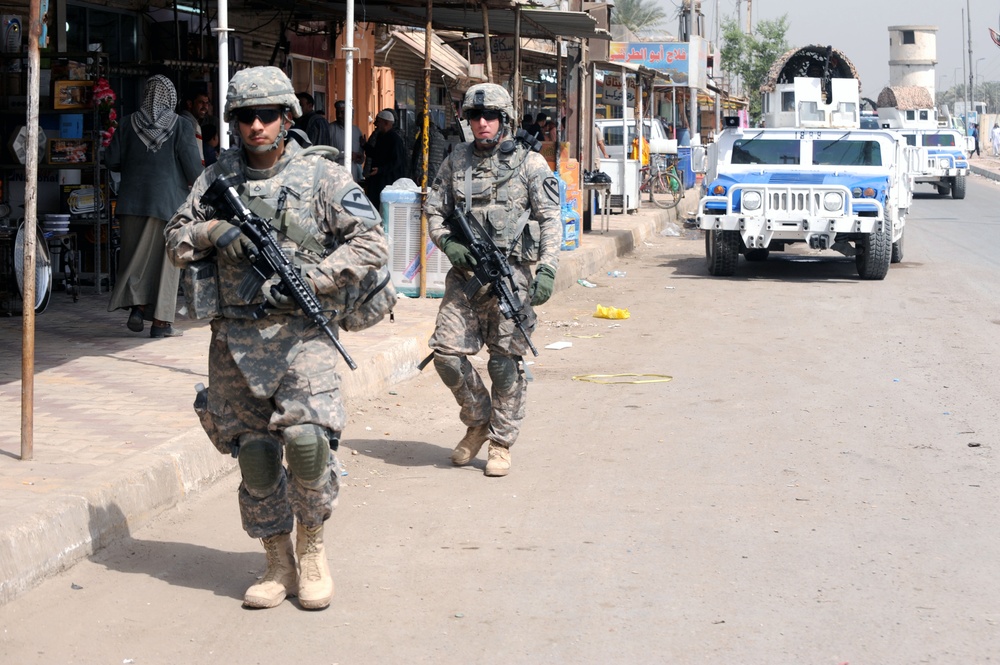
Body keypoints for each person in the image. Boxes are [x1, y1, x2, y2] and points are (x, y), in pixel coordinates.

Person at [164, 66, 390, 610]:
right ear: (234, 122)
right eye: (246, 117)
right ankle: (276, 558)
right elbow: (174, 238)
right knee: (257, 455)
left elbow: (372, 243)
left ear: (287, 117)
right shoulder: (217, 178)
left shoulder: (323, 177)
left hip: (303, 335)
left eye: (268, 115)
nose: (257, 126)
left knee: (309, 445)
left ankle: (311, 547)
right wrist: (213, 231)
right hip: (235, 340)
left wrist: (310, 280)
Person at [425, 83, 561, 477]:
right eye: (475, 117)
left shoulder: (530, 164)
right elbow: (435, 210)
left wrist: (548, 269)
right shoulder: (456, 161)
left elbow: (551, 219)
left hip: (510, 277)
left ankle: (501, 442)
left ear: (505, 120)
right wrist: (447, 243)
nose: (482, 123)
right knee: (446, 357)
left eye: (491, 117)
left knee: (504, 365)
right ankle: (478, 421)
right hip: (465, 278)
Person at [106, 74, 203, 338]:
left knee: (135, 260)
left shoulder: (127, 124)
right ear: (170, 98)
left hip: (131, 205)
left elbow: (112, 160)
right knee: (166, 264)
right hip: (168, 206)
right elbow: (194, 169)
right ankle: (161, 324)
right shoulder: (181, 125)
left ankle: (137, 307)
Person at [363, 108, 407, 211]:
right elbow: (377, 154)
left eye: (378, 121)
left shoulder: (395, 139)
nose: (375, 124)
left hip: (388, 180)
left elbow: (396, 161)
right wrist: (365, 146)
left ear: (386, 123)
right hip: (377, 179)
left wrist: (381, 169)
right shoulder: (381, 137)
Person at [329, 99, 365, 181]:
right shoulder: (330, 129)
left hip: (352, 176)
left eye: (342, 112)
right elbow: (326, 153)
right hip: (335, 176)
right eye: (337, 112)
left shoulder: (356, 131)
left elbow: (360, 159)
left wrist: (360, 156)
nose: (339, 115)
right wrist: (347, 155)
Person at [409, 111, 447, 183]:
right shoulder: (433, 135)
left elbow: (434, 164)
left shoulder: (430, 136)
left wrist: (421, 179)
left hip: (427, 179)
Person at [179, 85, 211, 165]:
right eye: (201, 102)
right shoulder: (190, 125)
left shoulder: (182, 120)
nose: (205, 107)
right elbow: (196, 162)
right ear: (190, 104)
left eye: (207, 103)